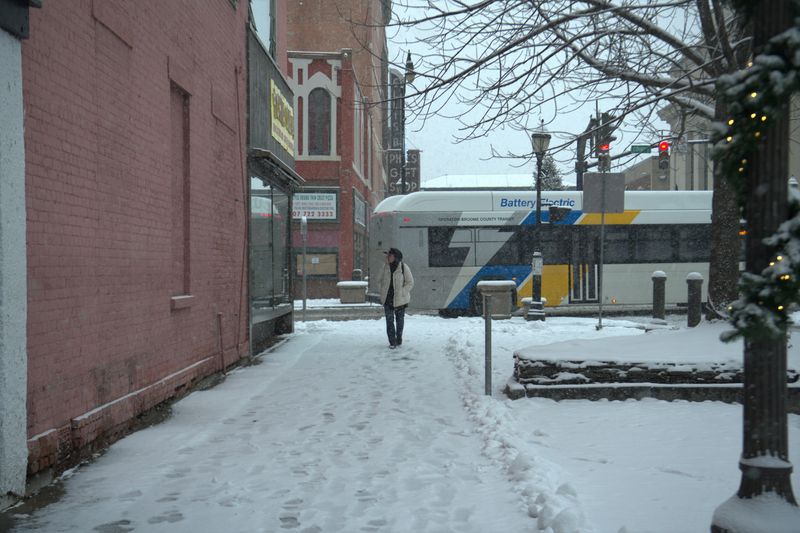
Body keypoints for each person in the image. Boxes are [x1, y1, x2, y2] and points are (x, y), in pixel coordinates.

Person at [379, 247, 414, 349]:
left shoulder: (403, 267)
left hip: (400, 299)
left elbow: (410, 282)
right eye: (388, 255)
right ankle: (392, 341)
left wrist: (402, 292)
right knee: (389, 321)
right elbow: (378, 280)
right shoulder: (385, 267)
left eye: (390, 255)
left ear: (396, 257)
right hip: (387, 299)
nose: (388, 257)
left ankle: (399, 338)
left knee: (400, 321)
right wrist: (382, 291)